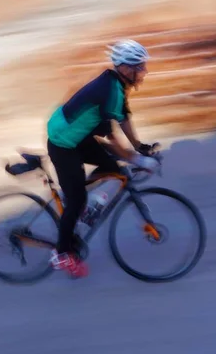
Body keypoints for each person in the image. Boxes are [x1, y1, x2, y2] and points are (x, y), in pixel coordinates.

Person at [46, 39, 160, 278]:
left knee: (111, 167)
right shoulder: (109, 90)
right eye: (140, 66)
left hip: (77, 135)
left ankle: (76, 197)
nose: (144, 71)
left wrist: (139, 147)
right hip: (63, 143)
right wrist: (138, 160)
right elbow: (112, 138)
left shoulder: (117, 86)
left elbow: (124, 117)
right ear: (125, 68)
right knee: (77, 200)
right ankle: (61, 253)